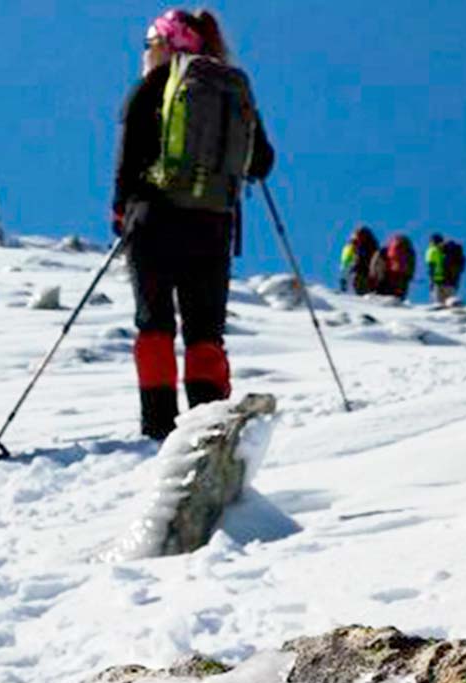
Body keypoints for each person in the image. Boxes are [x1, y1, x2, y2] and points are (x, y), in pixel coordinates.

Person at [113, 8, 276, 440]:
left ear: (169, 43)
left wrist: (120, 213)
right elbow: (262, 162)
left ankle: (159, 427)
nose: (145, 53)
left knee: (156, 323)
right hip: (213, 224)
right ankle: (209, 427)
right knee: (205, 331)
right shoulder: (230, 88)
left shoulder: (151, 88)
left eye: (150, 43)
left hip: (154, 217)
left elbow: (128, 158)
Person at [425, 233, 466, 305]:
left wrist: (432, 282)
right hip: (452, 282)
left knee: (439, 305)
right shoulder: (450, 251)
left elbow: (431, 267)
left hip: (438, 282)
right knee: (450, 304)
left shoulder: (433, 250)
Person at [340, 226, 379, 294]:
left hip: (356, 275)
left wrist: (343, 278)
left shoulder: (350, 247)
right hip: (370, 279)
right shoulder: (374, 247)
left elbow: (345, 264)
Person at [377, 233, 415, 301]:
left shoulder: (386, 249)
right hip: (403, 274)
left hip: (390, 273)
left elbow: (380, 262)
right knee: (399, 295)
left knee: (387, 294)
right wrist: (410, 275)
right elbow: (412, 263)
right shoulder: (410, 250)